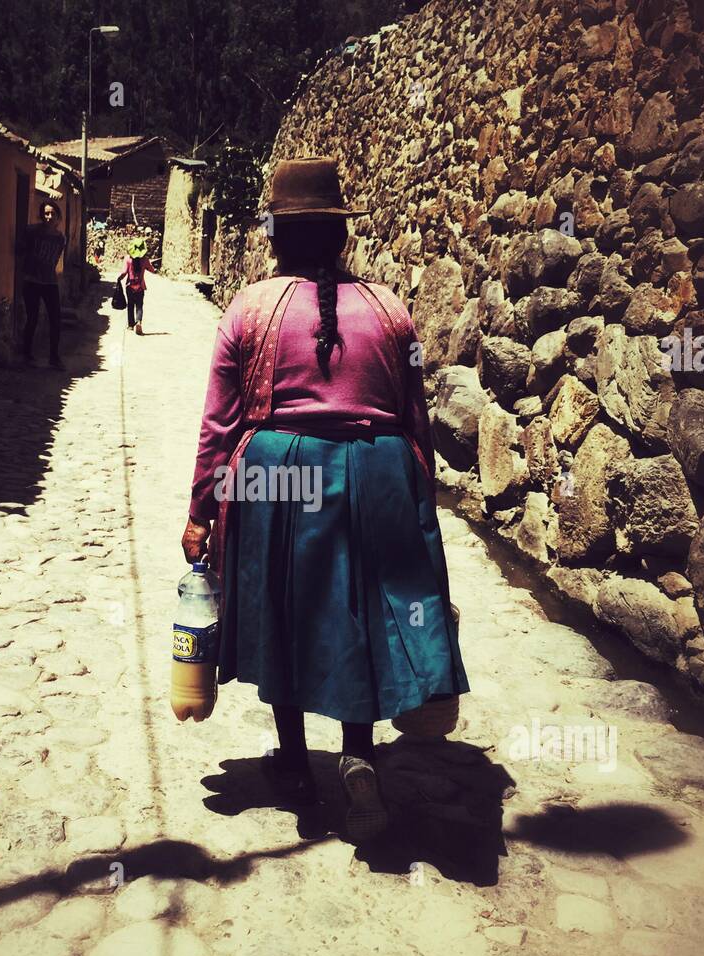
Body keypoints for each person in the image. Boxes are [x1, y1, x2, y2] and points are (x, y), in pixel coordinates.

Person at [182, 158, 469, 842]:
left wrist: (201, 511)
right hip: (378, 472)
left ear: (276, 235)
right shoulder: (394, 311)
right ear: (340, 237)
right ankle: (359, 755)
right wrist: (416, 500)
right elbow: (415, 414)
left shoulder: (247, 310)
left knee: (286, 606)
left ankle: (292, 758)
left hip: (278, 474)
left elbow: (219, 426)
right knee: (364, 612)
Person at [17, 200, 66, 370]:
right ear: (41, 215)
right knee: (32, 318)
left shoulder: (60, 238)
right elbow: (20, 248)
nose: (49, 217)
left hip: (50, 281)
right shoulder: (31, 231)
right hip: (31, 281)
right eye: (46, 213)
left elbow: (54, 260)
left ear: (58, 216)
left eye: (52, 213)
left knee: (55, 320)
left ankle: (54, 357)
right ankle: (27, 355)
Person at [117, 238, 157, 335]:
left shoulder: (127, 259)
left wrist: (119, 279)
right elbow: (152, 270)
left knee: (130, 305)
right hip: (140, 287)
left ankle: (131, 325)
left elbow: (124, 272)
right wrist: (153, 268)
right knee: (139, 306)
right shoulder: (145, 260)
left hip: (129, 286)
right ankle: (138, 321)